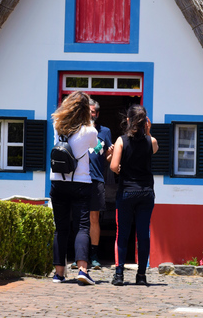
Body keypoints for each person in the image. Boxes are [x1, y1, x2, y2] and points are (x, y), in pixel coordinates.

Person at [50, 90, 98, 286]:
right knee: (82, 227)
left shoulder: (57, 125)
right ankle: (82, 270)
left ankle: (58, 273)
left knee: (60, 228)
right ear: (86, 110)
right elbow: (94, 146)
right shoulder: (89, 131)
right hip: (81, 182)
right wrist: (89, 122)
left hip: (57, 181)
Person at [109, 104, 158, 287]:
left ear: (128, 120)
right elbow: (154, 148)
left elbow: (114, 166)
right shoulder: (150, 141)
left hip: (127, 191)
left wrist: (120, 168)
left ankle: (119, 274)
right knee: (143, 233)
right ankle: (141, 275)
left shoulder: (122, 141)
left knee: (122, 233)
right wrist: (149, 131)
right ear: (146, 122)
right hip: (146, 192)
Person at [88, 99, 112, 268]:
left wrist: (111, 154)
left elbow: (109, 158)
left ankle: (94, 255)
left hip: (96, 179)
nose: (91, 114)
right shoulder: (78, 131)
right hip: (80, 180)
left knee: (94, 218)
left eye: (93, 111)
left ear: (97, 113)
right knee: (80, 219)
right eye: (88, 111)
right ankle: (80, 255)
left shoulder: (105, 132)